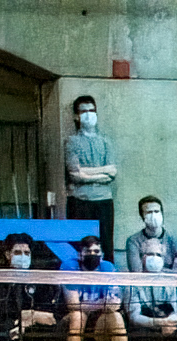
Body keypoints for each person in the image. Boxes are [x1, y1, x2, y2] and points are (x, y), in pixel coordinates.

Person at [59, 235, 129, 341]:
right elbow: (73, 304)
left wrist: (90, 305)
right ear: (80, 254)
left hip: (98, 322)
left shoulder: (108, 268)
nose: (92, 254)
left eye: (96, 251)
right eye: (88, 251)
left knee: (116, 317)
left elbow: (115, 304)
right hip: (69, 322)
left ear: (102, 254)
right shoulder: (69, 267)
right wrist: (102, 304)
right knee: (78, 316)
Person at [121, 238, 177, 341]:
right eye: (150, 254)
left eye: (158, 255)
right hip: (145, 327)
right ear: (142, 257)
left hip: (167, 326)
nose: (155, 258)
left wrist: (170, 321)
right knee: (138, 335)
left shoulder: (171, 279)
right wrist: (160, 323)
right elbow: (134, 317)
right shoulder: (132, 282)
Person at [63, 95, 117, 253]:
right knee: (80, 244)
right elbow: (74, 174)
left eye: (92, 110)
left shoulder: (105, 141)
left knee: (106, 244)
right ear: (76, 116)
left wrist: (86, 172)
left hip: (104, 200)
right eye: (83, 111)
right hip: (80, 200)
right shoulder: (72, 141)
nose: (88, 114)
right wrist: (103, 170)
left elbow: (112, 173)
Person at [124, 196, 177, 275]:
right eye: (149, 212)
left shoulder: (174, 240)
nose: (153, 215)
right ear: (142, 216)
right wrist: (167, 271)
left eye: (156, 211)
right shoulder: (133, 241)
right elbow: (136, 272)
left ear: (162, 214)